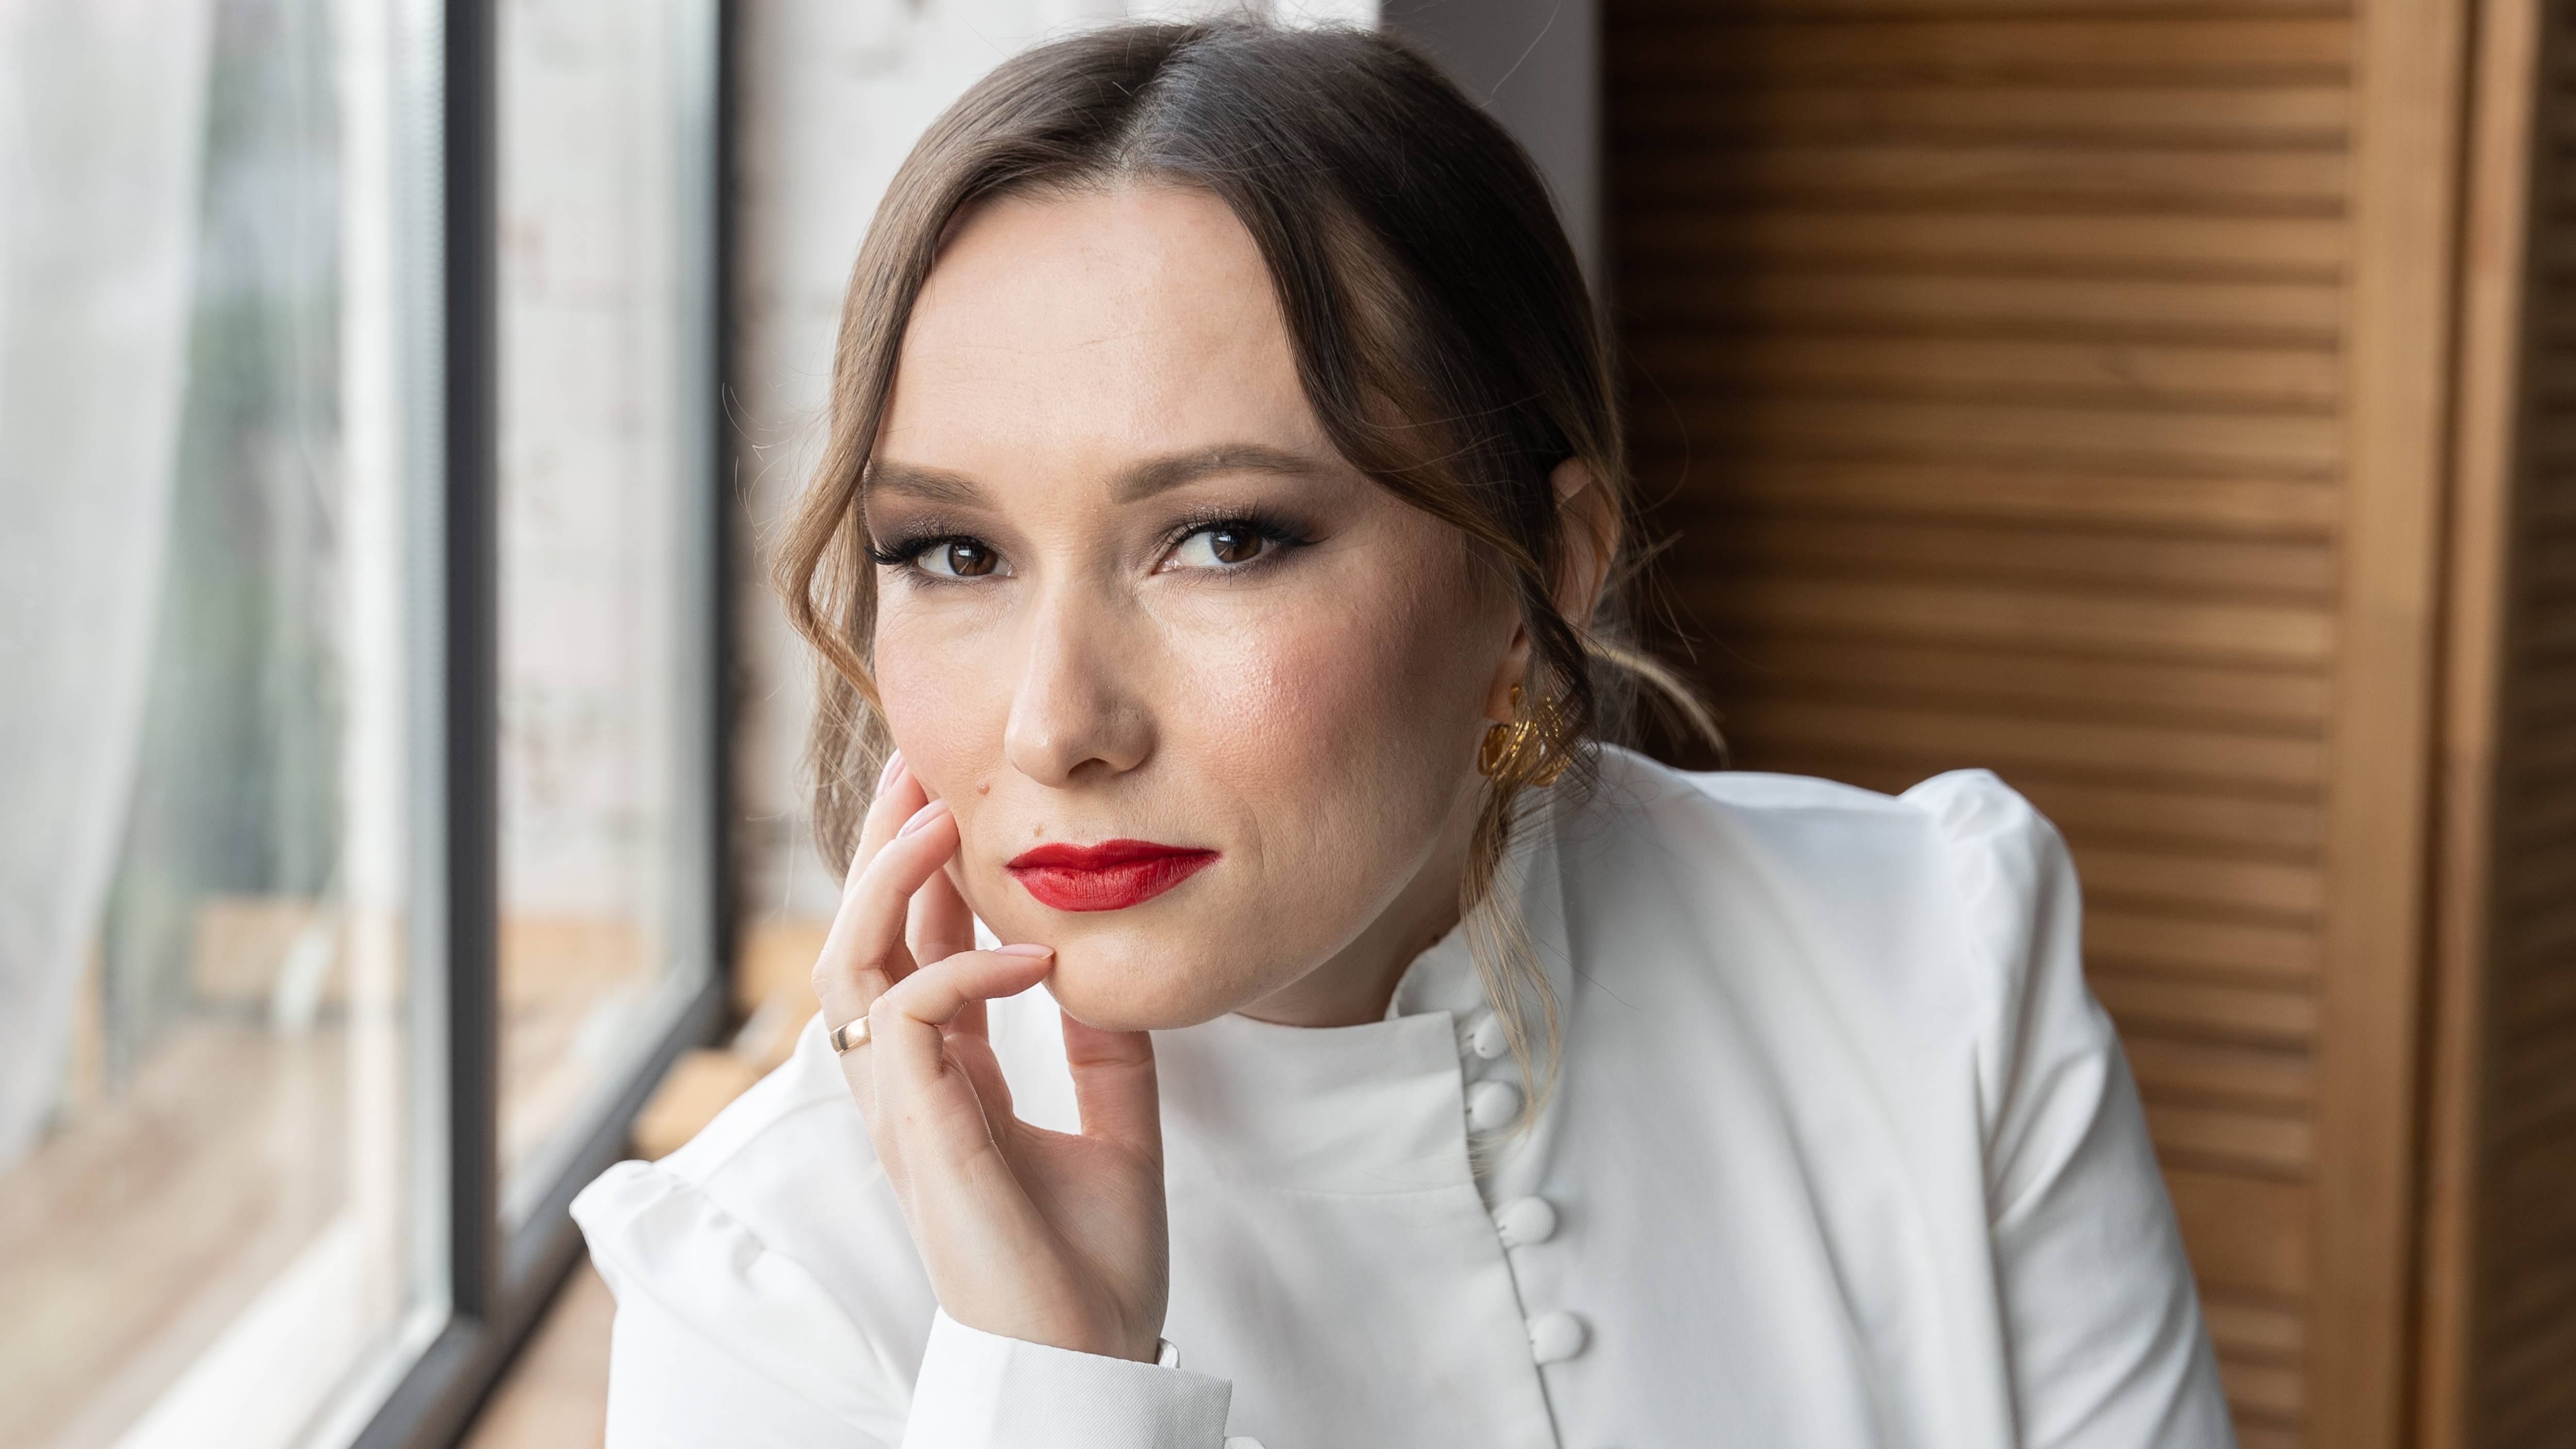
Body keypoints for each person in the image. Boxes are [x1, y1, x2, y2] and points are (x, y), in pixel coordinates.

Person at [570, 19, 2234, 1448]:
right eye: (954, 553)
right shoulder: (768, 1285)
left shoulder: (1933, 964)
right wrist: (1054, 1381)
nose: (1056, 722)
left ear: (1539, 575)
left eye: (1224, 537)